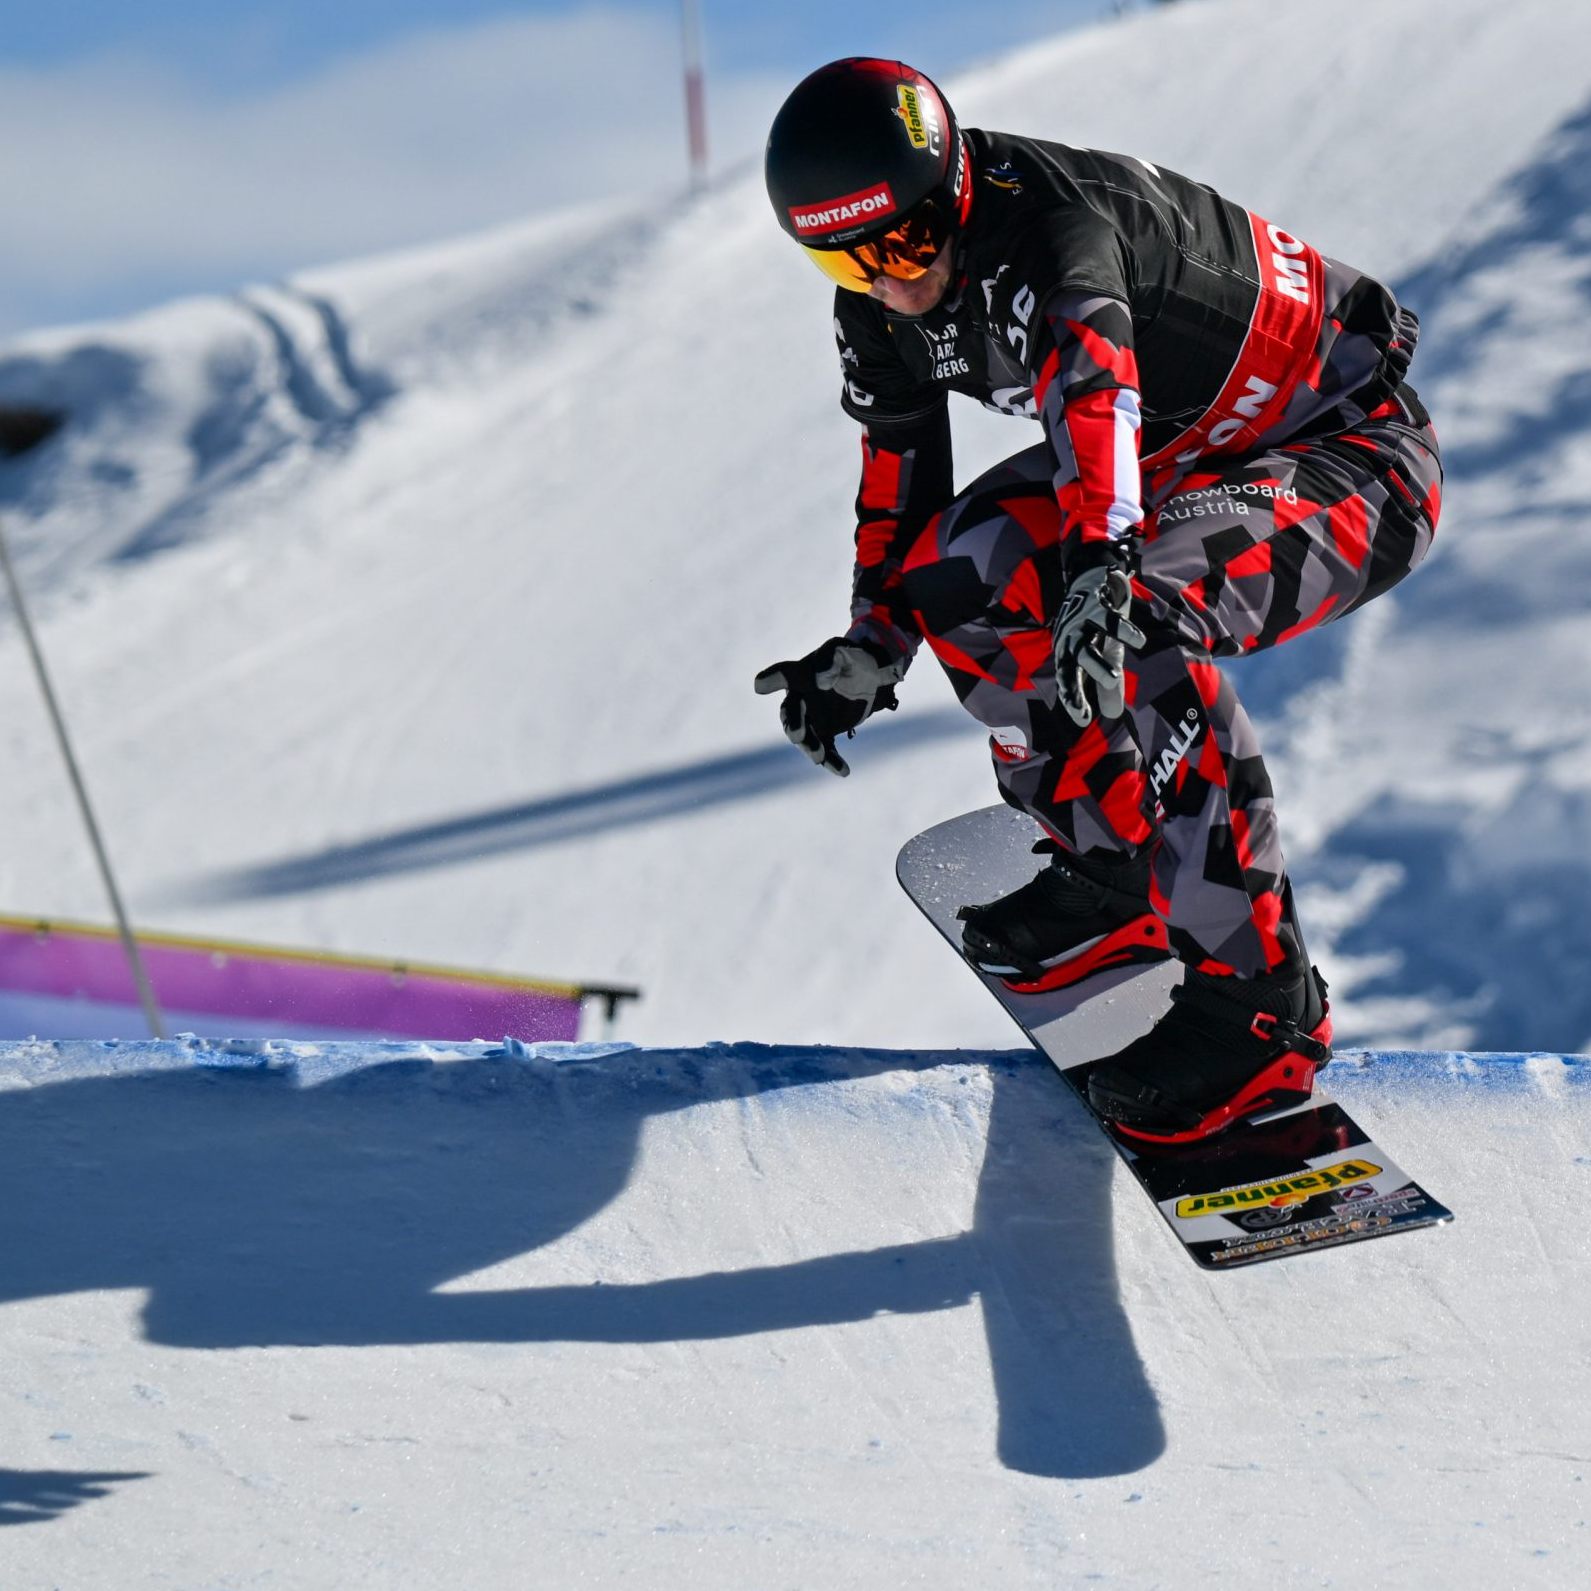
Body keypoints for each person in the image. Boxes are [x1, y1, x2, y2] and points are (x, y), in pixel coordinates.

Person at [753, 58, 1442, 1144]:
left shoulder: (1052, 237)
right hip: (1185, 458)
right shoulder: (878, 307)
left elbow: (1094, 396)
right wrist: (873, 642)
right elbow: (899, 475)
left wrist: (1105, 566)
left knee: (1141, 614)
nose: (886, 280)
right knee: (961, 569)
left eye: (899, 244)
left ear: (953, 191)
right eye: (842, 257)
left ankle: (1260, 1004)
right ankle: (1116, 860)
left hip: (1353, 458)